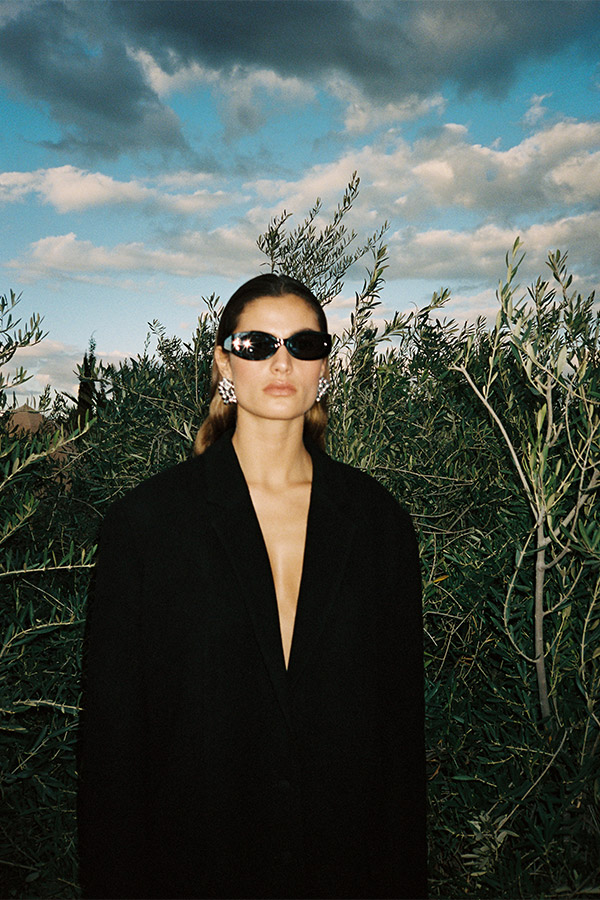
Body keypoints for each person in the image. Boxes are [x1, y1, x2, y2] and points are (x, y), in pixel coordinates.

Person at [77, 273, 427, 900]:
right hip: (193, 869)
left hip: (345, 869)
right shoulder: (147, 523)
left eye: (304, 344)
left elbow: (399, 735)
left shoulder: (378, 523)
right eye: (258, 344)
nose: (281, 362)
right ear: (224, 363)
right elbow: (113, 745)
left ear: (325, 366)